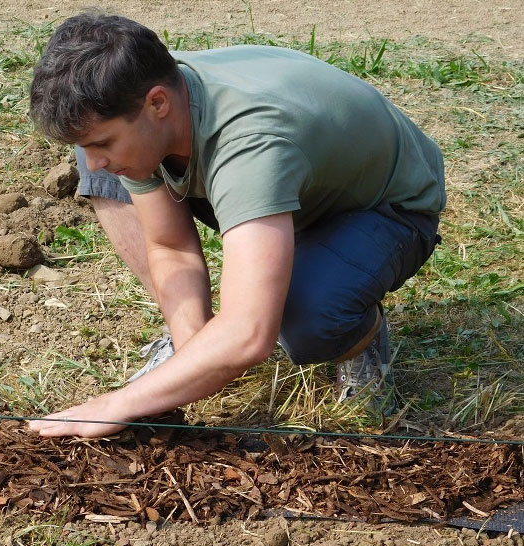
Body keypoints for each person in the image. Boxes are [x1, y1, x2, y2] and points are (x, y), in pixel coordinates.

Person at [27, 11, 444, 438]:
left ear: (157, 103)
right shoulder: (138, 99)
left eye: (102, 142)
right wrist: (193, 350)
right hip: (290, 182)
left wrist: (118, 404)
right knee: (107, 165)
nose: (93, 159)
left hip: (383, 209)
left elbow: (249, 334)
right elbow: (171, 247)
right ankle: (196, 350)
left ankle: (361, 339)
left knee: (304, 321)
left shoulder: (249, 145)